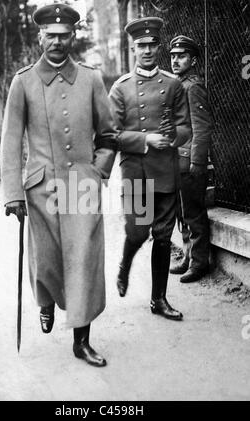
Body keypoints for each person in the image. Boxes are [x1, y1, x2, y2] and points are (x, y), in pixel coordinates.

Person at [0, 3, 117, 367]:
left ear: (73, 37)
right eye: (50, 36)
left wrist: (96, 171)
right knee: (47, 261)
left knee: (84, 260)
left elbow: (109, 135)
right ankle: (46, 299)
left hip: (81, 188)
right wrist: (13, 194)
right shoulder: (23, 82)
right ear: (40, 37)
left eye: (63, 35)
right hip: (40, 189)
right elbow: (10, 140)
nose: (57, 42)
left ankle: (82, 340)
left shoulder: (91, 79)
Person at [109, 17, 191, 321]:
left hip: (166, 173)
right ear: (133, 48)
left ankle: (159, 299)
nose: (147, 50)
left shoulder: (173, 84)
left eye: (152, 44)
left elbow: (185, 127)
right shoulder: (121, 88)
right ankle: (125, 263)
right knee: (139, 231)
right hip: (137, 175)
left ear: (158, 46)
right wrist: (145, 139)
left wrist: (172, 137)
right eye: (141, 45)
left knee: (163, 236)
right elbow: (110, 135)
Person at [169, 35, 214, 283]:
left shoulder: (193, 87)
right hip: (176, 160)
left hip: (189, 162)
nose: (176, 60)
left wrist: (197, 163)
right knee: (181, 213)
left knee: (194, 213)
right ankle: (188, 256)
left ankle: (199, 263)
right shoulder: (179, 84)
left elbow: (202, 128)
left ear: (193, 60)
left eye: (182, 56)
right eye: (173, 56)